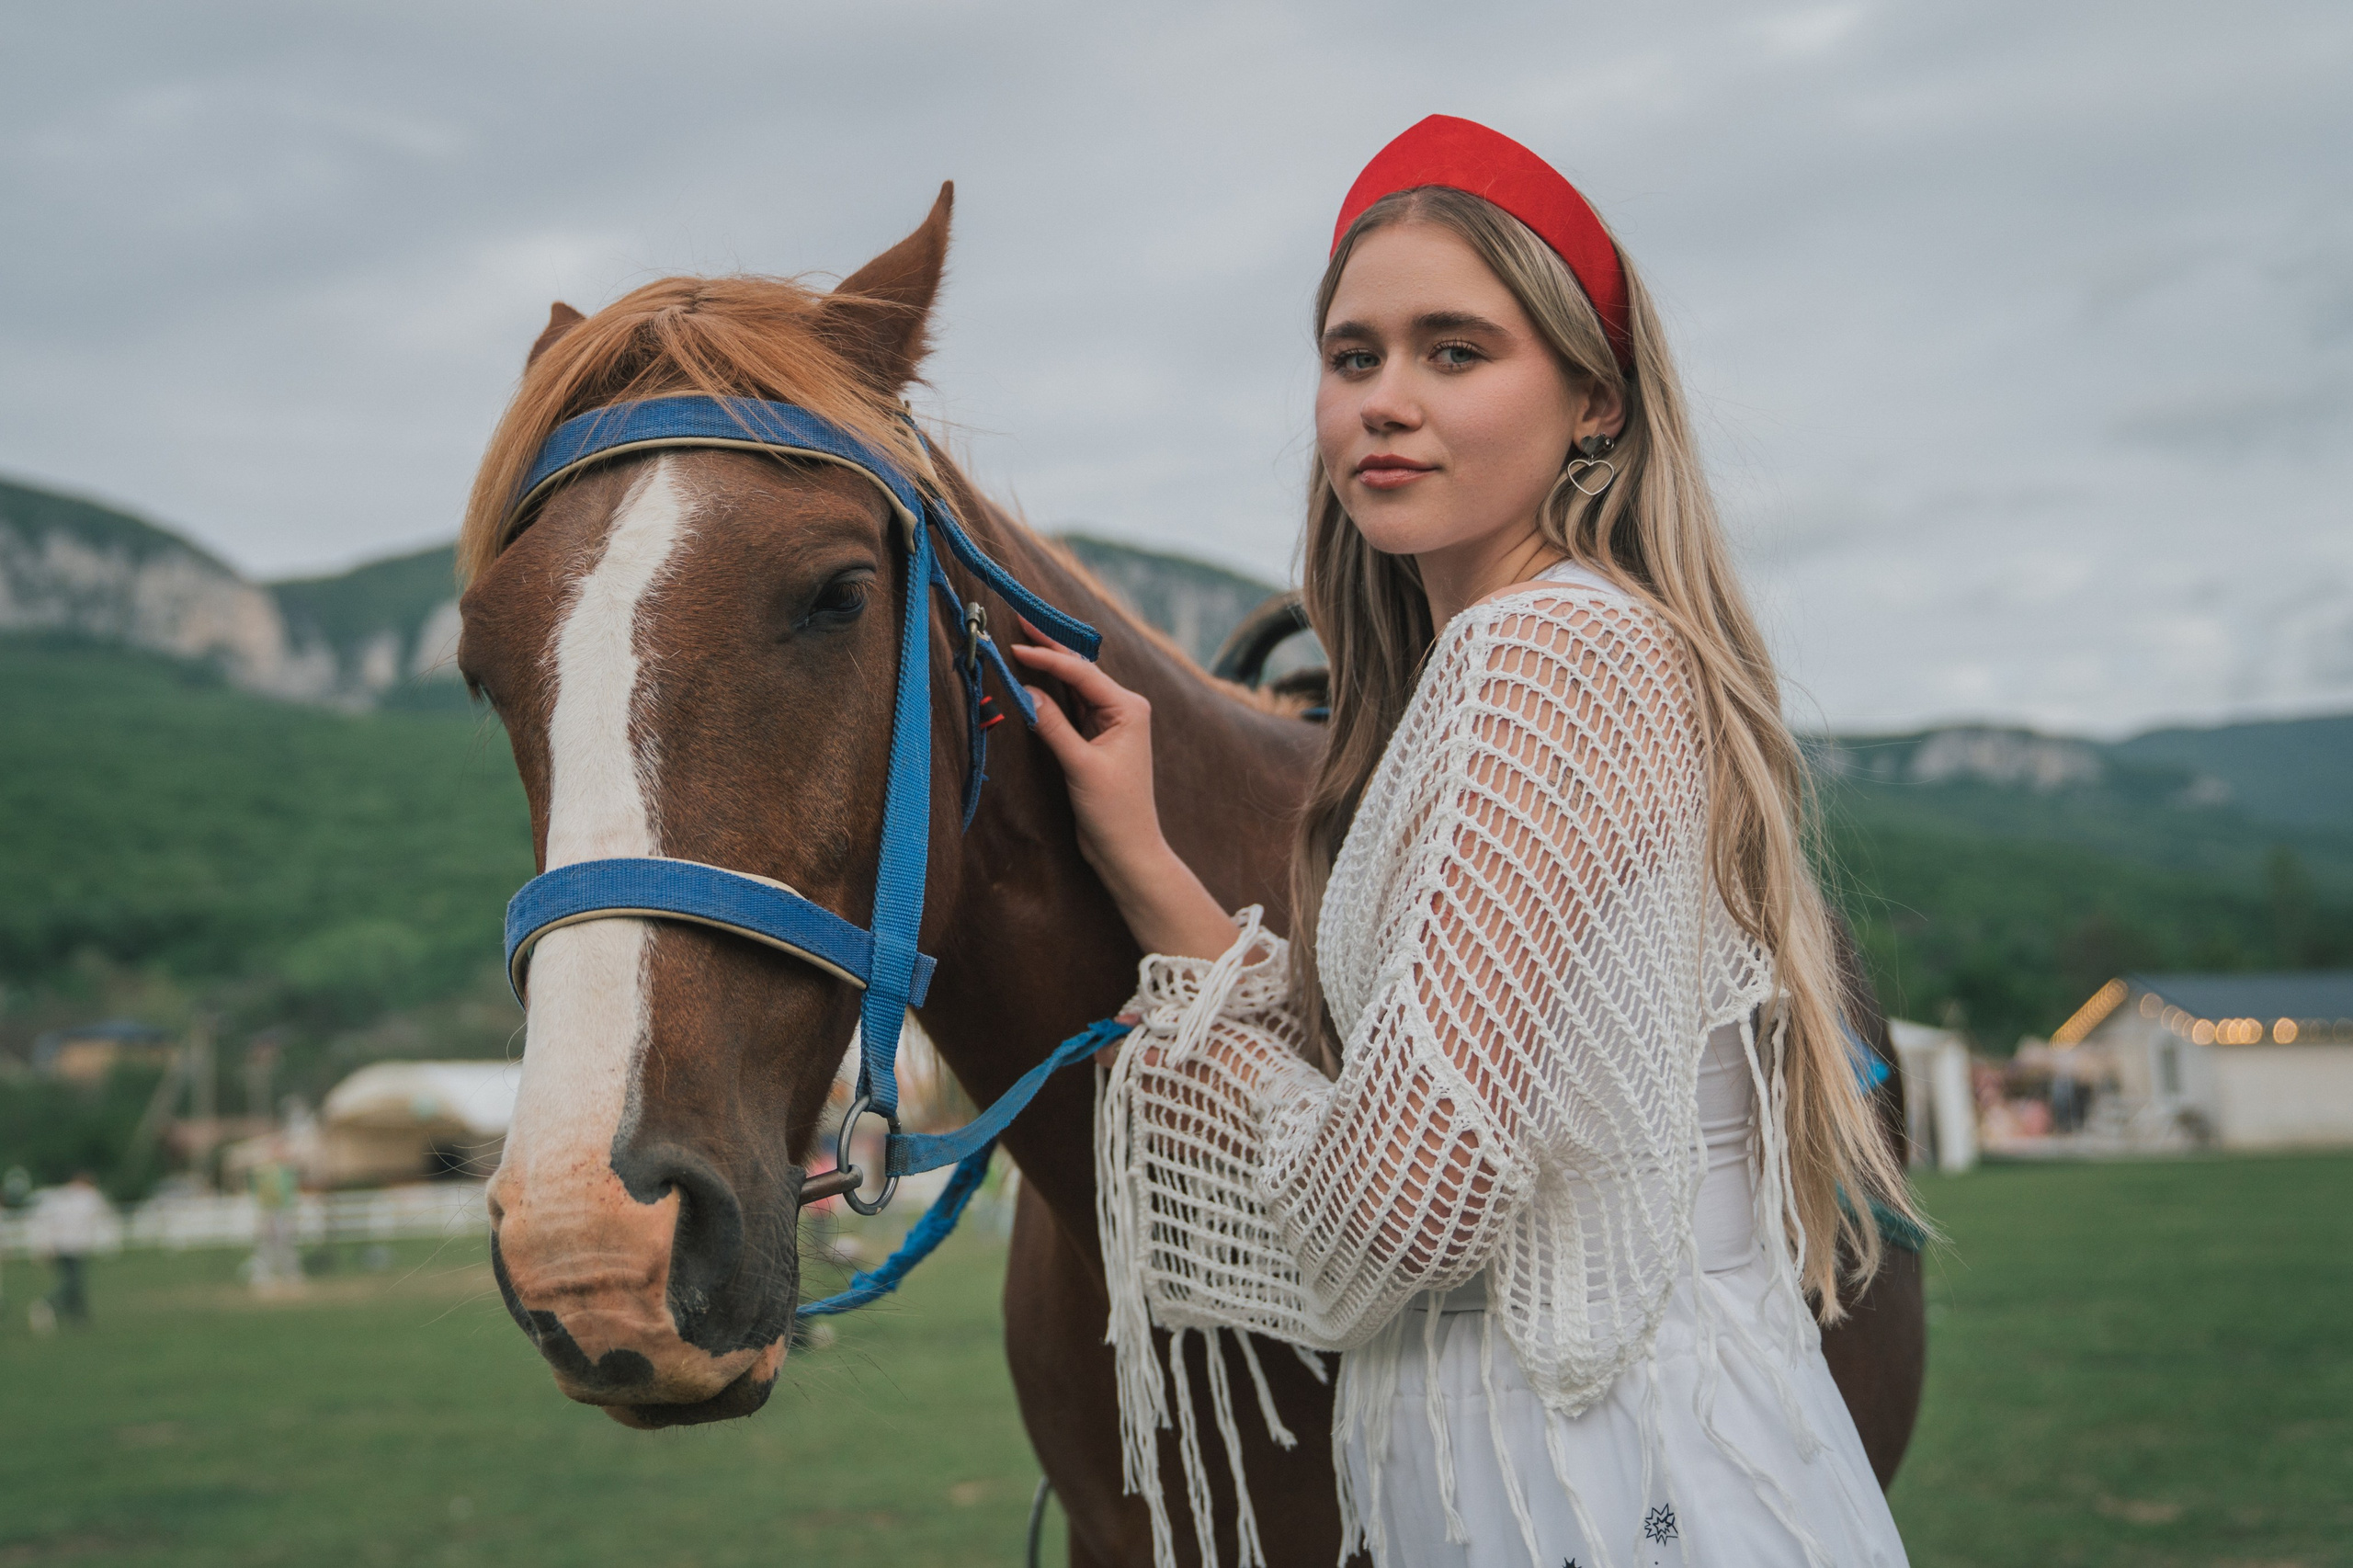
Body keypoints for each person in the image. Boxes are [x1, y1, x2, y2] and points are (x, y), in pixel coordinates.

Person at [1011, 117, 1919, 1568]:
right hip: (1556, 1473)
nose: (1386, 401)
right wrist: (1146, 861)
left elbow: (1406, 1202)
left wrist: (1210, 1068)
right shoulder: (1513, 668)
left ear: (1597, 405)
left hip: (1601, 1487)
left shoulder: (1543, 655)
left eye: (1456, 350)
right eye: (1353, 355)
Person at [32, 1171, 111, 1328]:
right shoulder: (88, 1197)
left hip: (62, 1246)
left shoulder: (61, 1197)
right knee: (73, 1283)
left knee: (74, 1283)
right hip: (73, 1246)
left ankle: (79, 1317)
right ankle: (48, 1306)